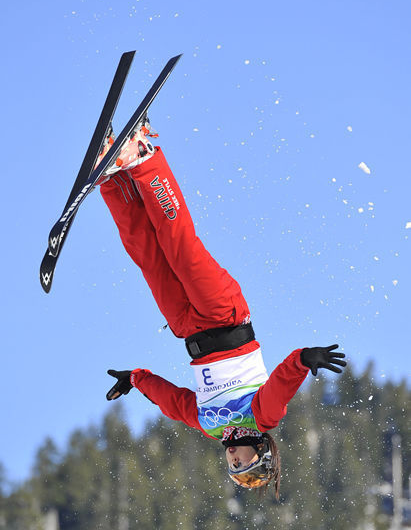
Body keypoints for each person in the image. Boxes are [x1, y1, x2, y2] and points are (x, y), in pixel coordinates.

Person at [98, 119, 346, 497]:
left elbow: (175, 403)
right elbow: (281, 382)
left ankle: (113, 178)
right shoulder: (263, 417)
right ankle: (144, 158)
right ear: (260, 450)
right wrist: (303, 359)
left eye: (232, 468)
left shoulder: (210, 425)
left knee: (147, 254)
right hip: (225, 315)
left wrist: (136, 379)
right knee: (180, 248)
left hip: (188, 328)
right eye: (242, 463)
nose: (233, 460)